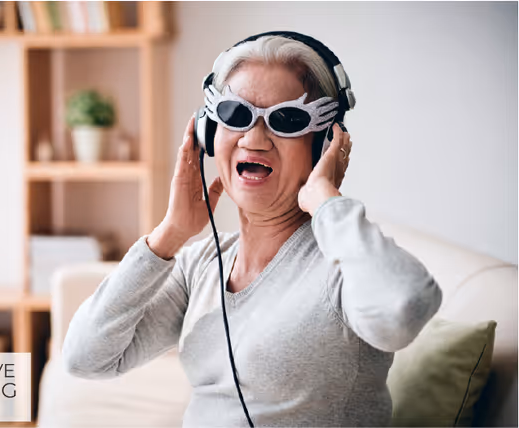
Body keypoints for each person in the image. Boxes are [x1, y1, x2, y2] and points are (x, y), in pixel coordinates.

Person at [62, 34, 443, 427]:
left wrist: (327, 202)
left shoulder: (342, 266)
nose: (254, 139)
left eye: (288, 120)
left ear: (324, 143)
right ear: (209, 134)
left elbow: (405, 307)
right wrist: (170, 234)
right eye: (234, 114)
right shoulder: (201, 266)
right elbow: (86, 358)